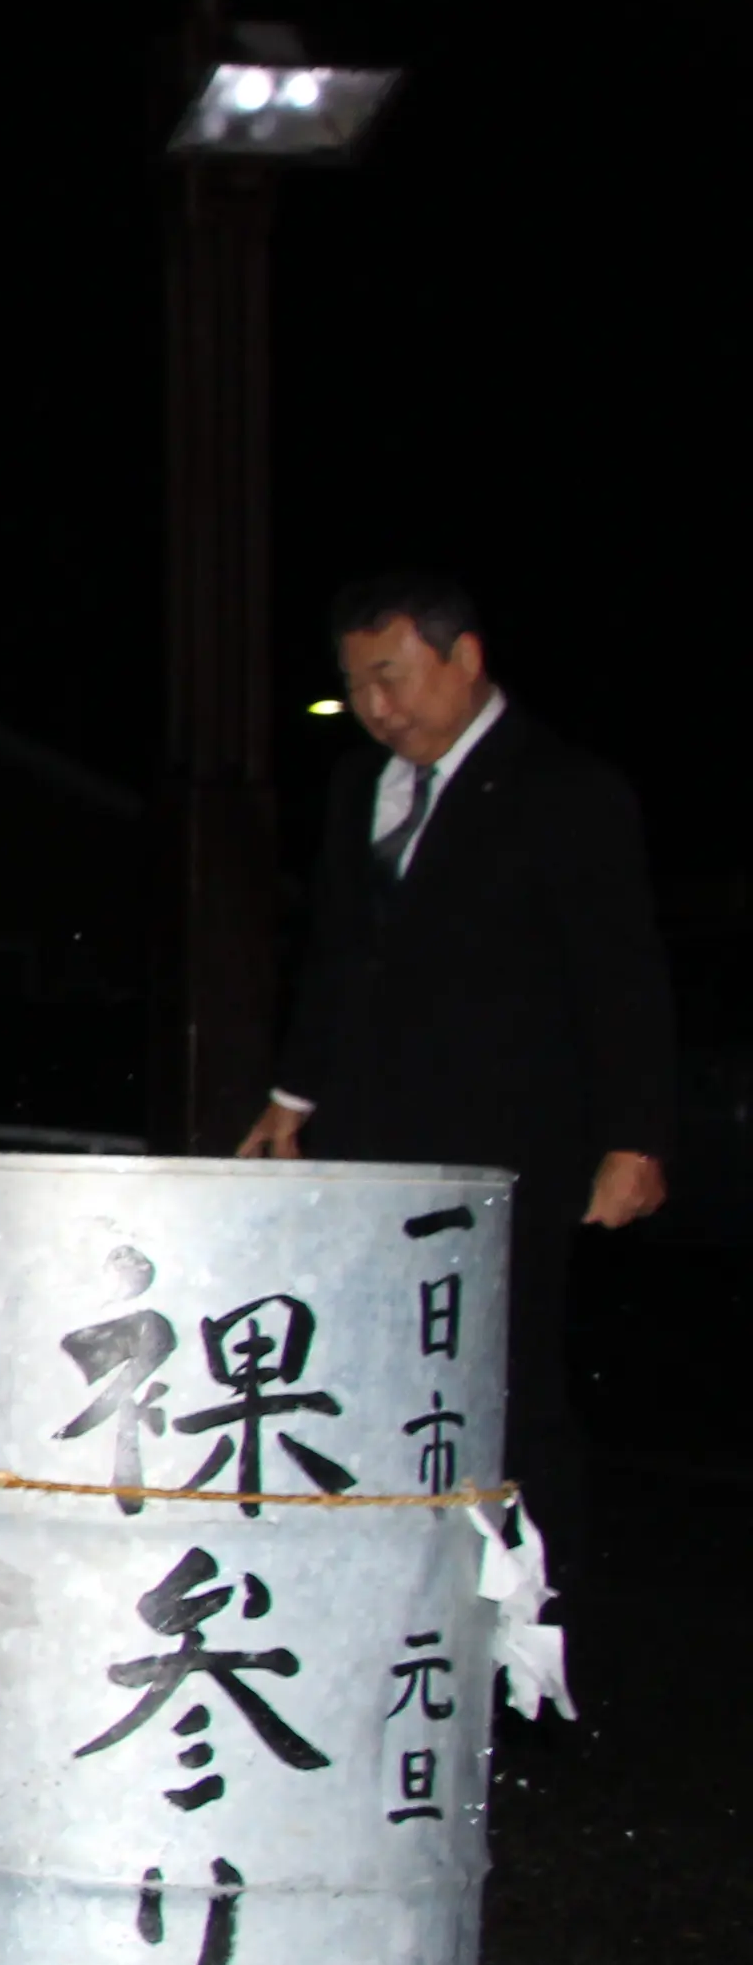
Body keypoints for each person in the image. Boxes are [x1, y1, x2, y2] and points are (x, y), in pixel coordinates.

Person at [240, 572, 675, 1550]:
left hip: (506, 1148)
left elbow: (623, 977)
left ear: (464, 658)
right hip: (370, 1142)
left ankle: (534, 1619)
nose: (376, 708)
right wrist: (291, 1095)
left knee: (505, 1390)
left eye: (391, 678)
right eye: (357, 686)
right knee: (370, 1371)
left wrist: (635, 1139)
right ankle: (395, 1593)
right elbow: (338, 955)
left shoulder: (567, 790)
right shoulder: (360, 788)